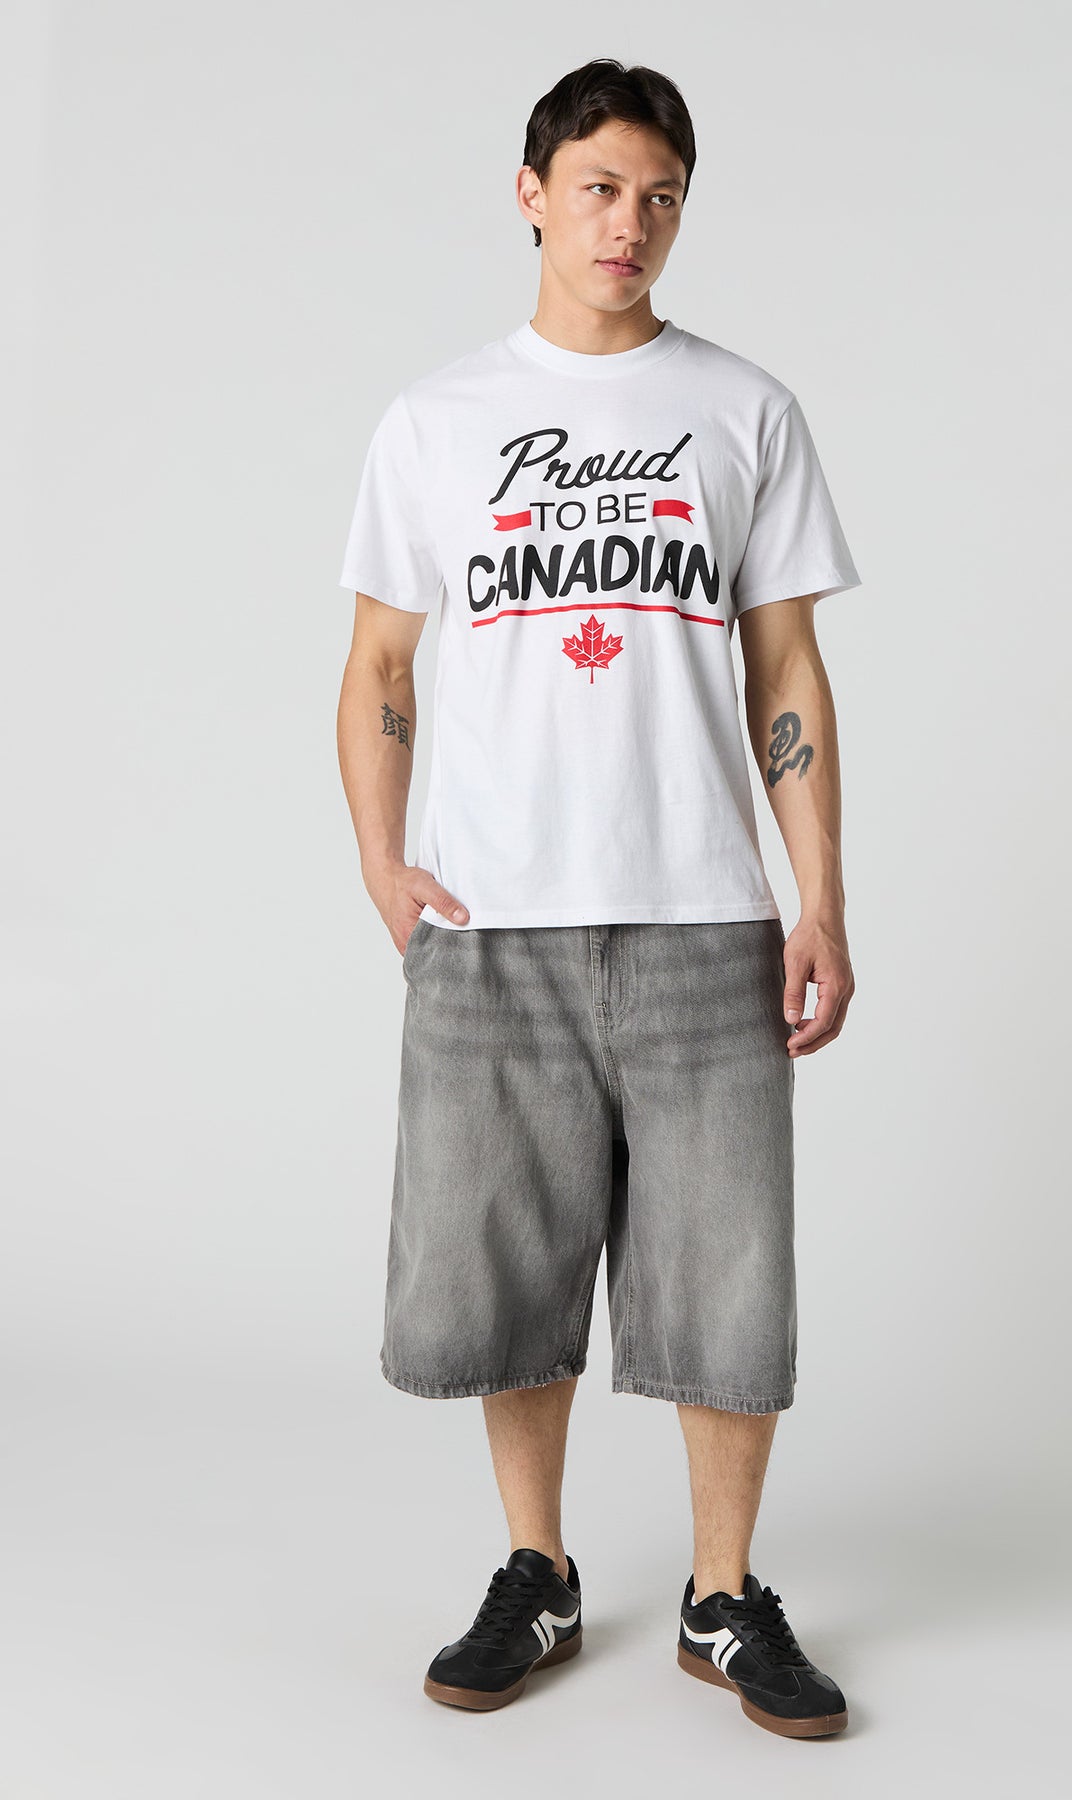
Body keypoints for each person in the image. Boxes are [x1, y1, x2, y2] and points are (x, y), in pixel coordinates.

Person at [336, 58, 862, 1740]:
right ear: (531, 196)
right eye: (599, 188)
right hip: (495, 922)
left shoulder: (744, 411)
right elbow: (379, 664)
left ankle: (722, 1597)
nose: (628, 222)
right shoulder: (436, 422)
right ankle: (538, 1567)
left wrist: (820, 895)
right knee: (507, 1267)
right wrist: (385, 866)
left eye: (660, 196)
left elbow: (787, 666)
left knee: (731, 1280)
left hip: (704, 912)